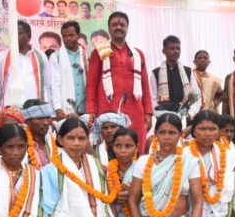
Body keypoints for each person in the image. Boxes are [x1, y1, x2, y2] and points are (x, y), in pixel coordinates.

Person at [86, 12, 153, 153]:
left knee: (136, 148)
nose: (118, 27)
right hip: (108, 109)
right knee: (109, 151)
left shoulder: (137, 54)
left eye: (122, 24)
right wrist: (90, 111)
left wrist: (148, 112)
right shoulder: (99, 51)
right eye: (114, 24)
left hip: (135, 110)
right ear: (109, 28)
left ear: (127, 28)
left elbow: (145, 85)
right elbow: (91, 84)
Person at [0, 21, 54, 118]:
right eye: (13, 34)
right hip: (10, 112)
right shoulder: (3, 56)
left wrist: (51, 113)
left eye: (19, 33)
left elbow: (47, 86)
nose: (15, 37)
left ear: (29, 36)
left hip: (36, 113)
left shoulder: (41, 56)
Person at [150, 36, 201, 122]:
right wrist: (162, 115)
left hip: (185, 118)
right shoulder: (156, 73)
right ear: (164, 51)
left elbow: (196, 96)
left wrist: (189, 115)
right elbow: (152, 98)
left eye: (178, 48)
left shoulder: (188, 71)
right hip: (164, 119)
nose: (176, 51)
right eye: (172, 48)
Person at [51, 21, 87, 117]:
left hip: (86, 106)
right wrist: (57, 108)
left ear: (78, 35)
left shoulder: (85, 55)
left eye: (71, 35)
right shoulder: (56, 56)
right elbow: (55, 84)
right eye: (65, 36)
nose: (68, 39)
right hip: (66, 107)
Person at [21, 99, 55, 168]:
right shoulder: (20, 143)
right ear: (27, 121)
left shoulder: (54, 140)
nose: (46, 123)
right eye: (40, 118)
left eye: (48, 117)